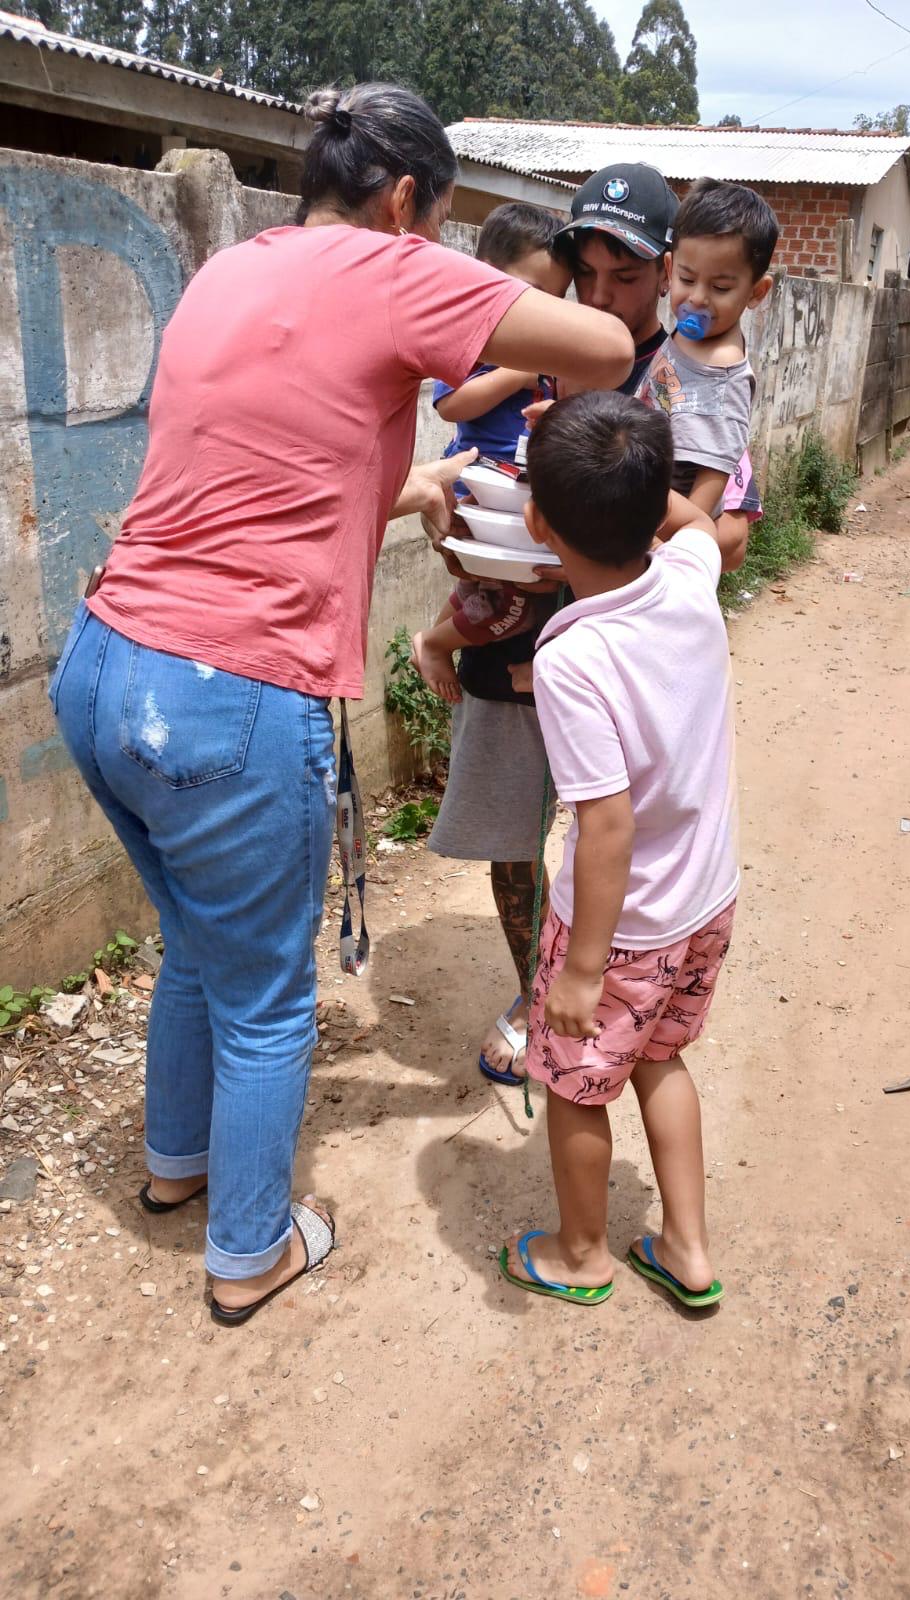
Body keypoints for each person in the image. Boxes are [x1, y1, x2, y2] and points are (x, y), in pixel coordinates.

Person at [50, 82, 632, 1326]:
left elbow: (267, 474)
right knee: (270, 997)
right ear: (406, 199)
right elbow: (607, 350)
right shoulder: (392, 266)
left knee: (199, 946)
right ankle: (250, 1251)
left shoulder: (231, 270)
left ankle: (176, 1164)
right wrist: (500, 333)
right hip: (226, 698)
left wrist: (413, 481)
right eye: (442, 221)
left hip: (103, 667)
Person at [426, 163, 760, 1088]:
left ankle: (613, 990)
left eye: (629, 276)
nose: (603, 298)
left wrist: (607, 526)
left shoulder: (695, 375)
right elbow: (472, 462)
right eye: (587, 276)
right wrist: (473, 526)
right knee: (511, 830)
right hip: (516, 626)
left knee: (618, 831)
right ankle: (533, 990)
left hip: (623, 657)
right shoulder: (543, 351)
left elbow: (730, 534)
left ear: (669, 272)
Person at [497, 390, 735, 1310]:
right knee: (660, 1061)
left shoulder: (573, 659)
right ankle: (687, 1248)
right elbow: (694, 523)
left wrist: (583, 972)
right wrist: (629, 448)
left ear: (537, 524)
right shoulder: (690, 574)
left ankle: (582, 1253)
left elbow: (606, 826)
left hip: (625, 929)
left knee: (575, 1086)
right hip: (705, 901)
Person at [412, 203, 572, 703]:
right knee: (513, 606)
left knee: (483, 593)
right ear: (485, 277)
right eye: (533, 293)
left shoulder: (549, 347)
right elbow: (451, 404)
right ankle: (436, 643)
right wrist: (517, 374)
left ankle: (433, 641)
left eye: (558, 299)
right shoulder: (478, 343)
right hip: (481, 489)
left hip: (517, 496)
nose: (547, 310)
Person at [638, 179, 778, 517]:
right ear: (669, 270)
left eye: (720, 287)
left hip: (668, 520)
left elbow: (714, 472)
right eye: (687, 280)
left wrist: (678, 534)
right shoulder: (691, 338)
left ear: (756, 292)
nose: (698, 298)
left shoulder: (723, 375)